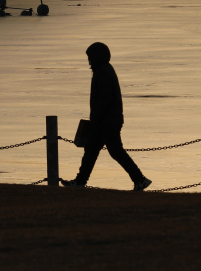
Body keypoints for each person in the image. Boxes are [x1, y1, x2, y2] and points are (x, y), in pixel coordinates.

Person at [61, 42, 152, 191]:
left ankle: (140, 179)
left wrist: (96, 116)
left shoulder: (102, 72)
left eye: (90, 57)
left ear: (96, 57)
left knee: (115, 151)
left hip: (107, 122)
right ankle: (80, 181)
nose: (88, 60)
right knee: (91, 151)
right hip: (104, 121)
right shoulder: (103, 70)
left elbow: (105, 98)